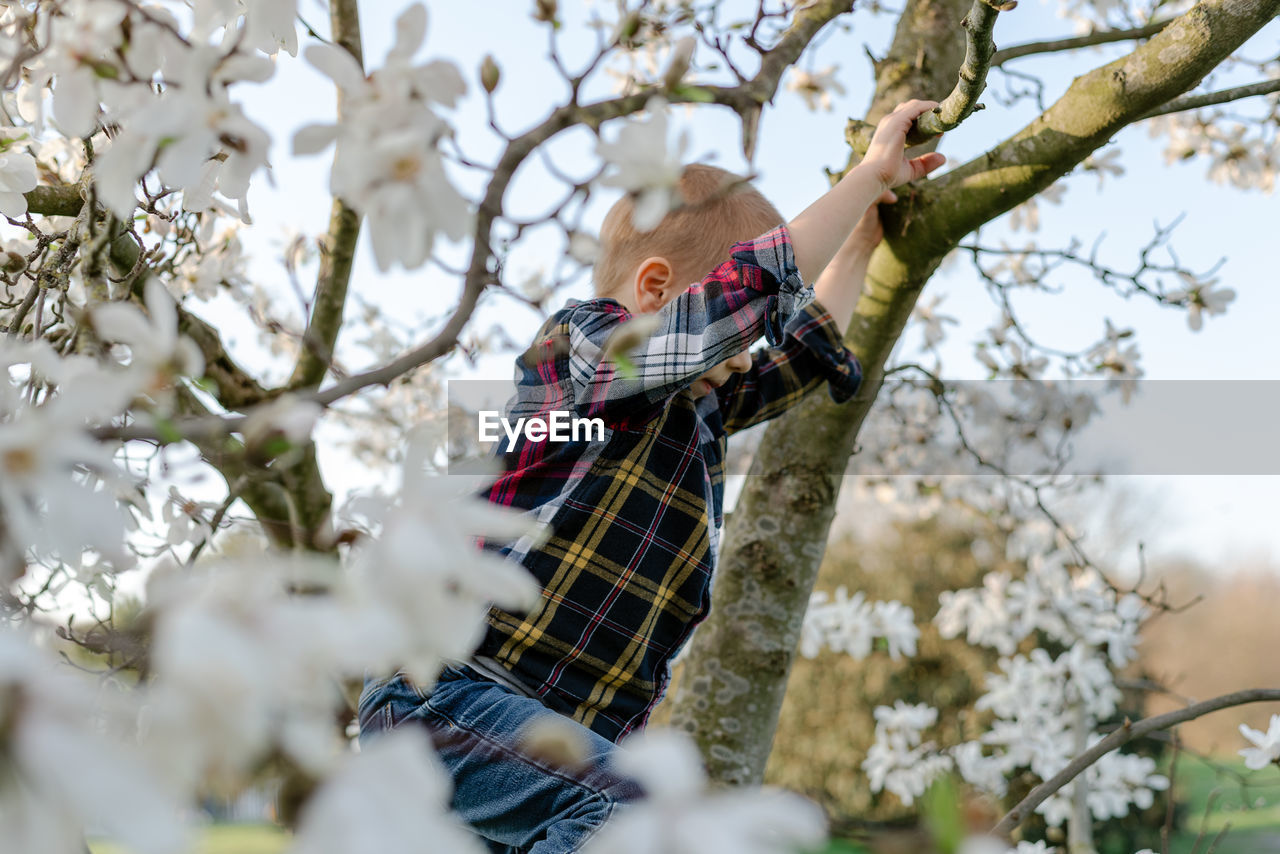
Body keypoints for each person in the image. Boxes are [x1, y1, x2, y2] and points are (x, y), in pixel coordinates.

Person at [357, 100, 947, 853]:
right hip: (448, 700)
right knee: (641, 815)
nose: (745, 347)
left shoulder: (696, 411)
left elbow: (799, 357)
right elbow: (731, 307)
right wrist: (867, 176)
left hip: (554, 752)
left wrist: (860, 244)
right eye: (739, 329)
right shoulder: (582, 354)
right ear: (657, 291)